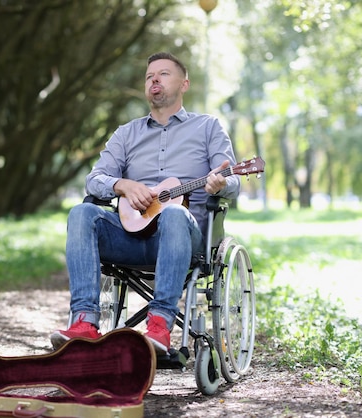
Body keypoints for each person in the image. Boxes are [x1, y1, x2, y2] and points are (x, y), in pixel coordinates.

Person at [50, 52, 240, 354]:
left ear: (184, 84)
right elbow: (94, 179)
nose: (154, 79)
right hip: (130, 236)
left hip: (184, 240)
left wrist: (222, 182)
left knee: (175, 213)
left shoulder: (208, 128)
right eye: (149, 75)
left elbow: (232, 180)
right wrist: (121, 185)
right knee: (82, 212)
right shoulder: (126, 134)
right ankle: (84, 322)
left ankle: (160, 325)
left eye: (164, 74)